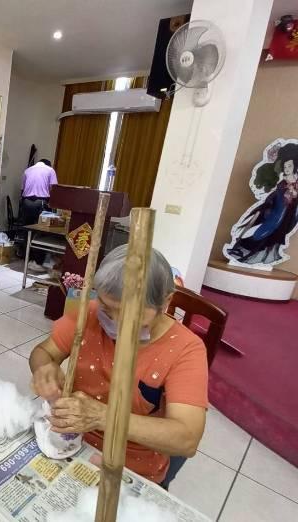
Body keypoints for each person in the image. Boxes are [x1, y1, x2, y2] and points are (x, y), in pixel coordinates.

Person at [28, 245, 207, 488]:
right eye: (105, 306)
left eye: (128, 314)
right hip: (70, 440)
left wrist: (102, 417)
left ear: (166, 301)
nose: (112, 321)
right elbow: (43, 352)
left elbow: (186, 438)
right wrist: (44, 368)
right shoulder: (87, 316)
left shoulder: (186, 349)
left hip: (132, 465)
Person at [225, 143, 298, 265]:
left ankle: (253, 251)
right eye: (285, 167)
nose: (287, 169)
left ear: (294, 166)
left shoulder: (295, 183)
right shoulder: (281, 183)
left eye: (289, 166)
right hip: (273, 211)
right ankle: (241, 247)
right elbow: (275, 195)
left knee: (269, 232)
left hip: (285, 216)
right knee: (255, 225)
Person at [20, 159, 58, 272]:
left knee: (27, 230)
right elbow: (54, 190)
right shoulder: (50, 170)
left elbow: (22, 189)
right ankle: (38, 262)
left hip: (26, 203)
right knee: (40, 233)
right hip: (40, 204)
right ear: (48, 164)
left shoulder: (27, 170)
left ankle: (27, 259)